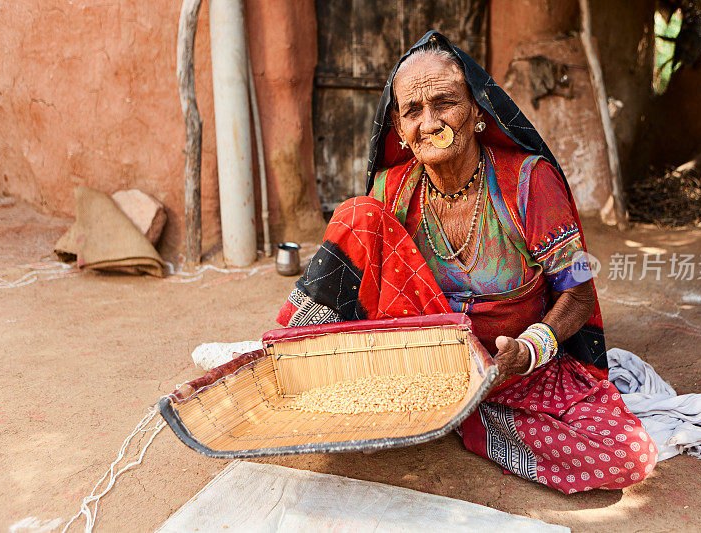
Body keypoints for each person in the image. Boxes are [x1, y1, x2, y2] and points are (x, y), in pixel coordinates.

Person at [277, 31, 657, 494]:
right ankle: (287, 358)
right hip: (422, 367)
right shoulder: (392, 190)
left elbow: (579, 293)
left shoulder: (530, 183)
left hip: (513, 377)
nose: (430, 122)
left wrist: (532, 348)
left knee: (627, 456)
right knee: (356, 216)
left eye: (445, 103)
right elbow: (359, 286)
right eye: (413, 111)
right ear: (399, 129)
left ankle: (472, 418)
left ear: (477, 112)